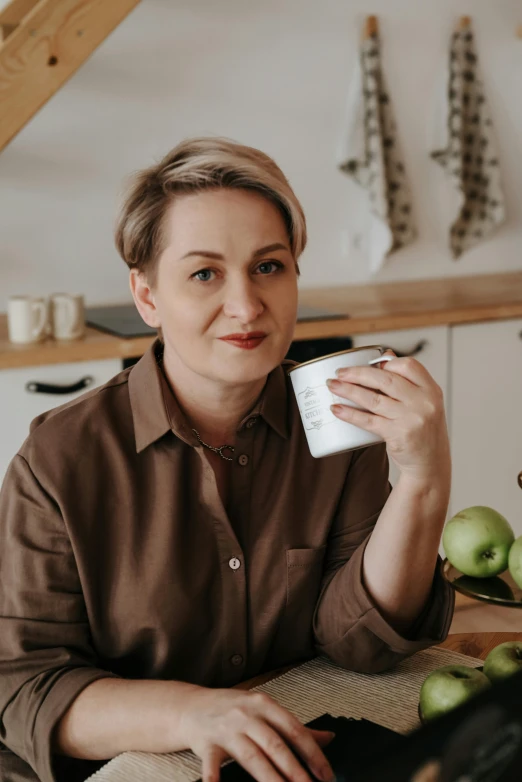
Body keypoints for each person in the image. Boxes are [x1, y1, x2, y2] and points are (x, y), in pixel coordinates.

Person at [0, 137, 454, 782]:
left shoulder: (331, 422)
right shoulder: (59, 459)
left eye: (268, 266)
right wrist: (192, 715)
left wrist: (423, 478)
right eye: (205, 273)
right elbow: (25, 689)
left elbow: (359, 642)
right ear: (148, 295)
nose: (246, 307)